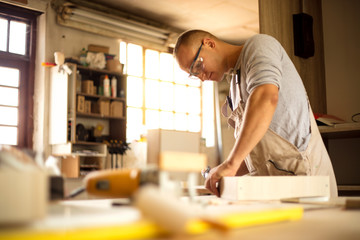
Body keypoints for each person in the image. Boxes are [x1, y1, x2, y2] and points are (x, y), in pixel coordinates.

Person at [173, 29, 338, 197]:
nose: (201, 76)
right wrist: (223, 170)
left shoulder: (258, 45)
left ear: (209, 43)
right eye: (193, 74)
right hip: (273, 186)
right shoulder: (234, 86)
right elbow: (257, 153)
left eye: (197, 66)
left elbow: (266, 97)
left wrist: (231, 163)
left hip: (306, 178)